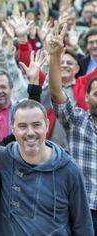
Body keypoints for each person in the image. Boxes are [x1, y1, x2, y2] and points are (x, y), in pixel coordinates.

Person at [0, 99, 93, 235]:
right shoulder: (3, 157)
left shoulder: (69, 169)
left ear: (47, 125)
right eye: (22, 126)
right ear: (12, 129)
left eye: (36, 125)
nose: (30, 132)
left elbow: (83, 225)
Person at [48, 23, 97, 235]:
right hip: (83, 209)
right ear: (86, 98)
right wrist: (56, 56)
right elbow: (57, 91)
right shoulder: (76, 120)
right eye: (96, 93)